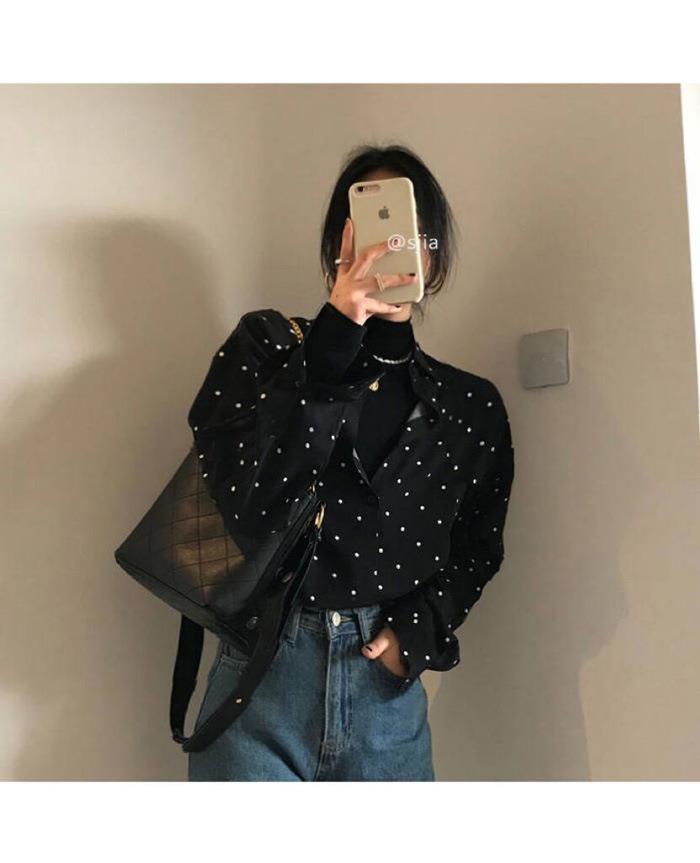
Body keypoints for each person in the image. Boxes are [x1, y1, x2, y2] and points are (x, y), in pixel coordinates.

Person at [186, 144, 515, 781]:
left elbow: (480, 543)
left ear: (433, 253)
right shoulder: (264, 351)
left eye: (408, 229)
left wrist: (416, 632)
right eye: (369, 228)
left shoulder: (469, 405)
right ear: (337, 245)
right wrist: (336, 332)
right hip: (260, 683)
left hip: (384, 700)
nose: (387, 246)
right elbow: (250, 505)